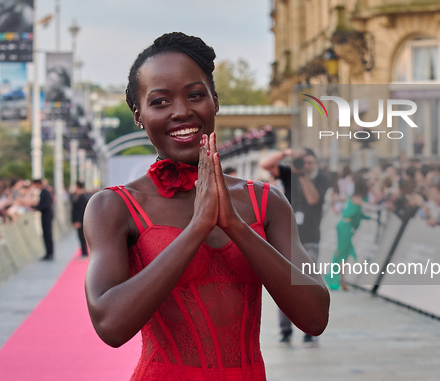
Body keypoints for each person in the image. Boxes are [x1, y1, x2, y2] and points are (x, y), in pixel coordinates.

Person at [84, 33, 330, 380]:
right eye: (160, 102)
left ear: (215, 101)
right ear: (138, 115)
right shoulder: (113, 207)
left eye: (195, 95)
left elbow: (315, 318)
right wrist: (199, 226)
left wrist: (236, 226)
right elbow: (110, 325)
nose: (181, 111)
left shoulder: (266, 201)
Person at [260, 147, 329, 346]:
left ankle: (310, 328)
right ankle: (285, 329)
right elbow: (265, 164)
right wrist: (287, 153)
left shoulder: (320, 178)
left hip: (309, 239)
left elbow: (312, 199)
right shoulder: (289, 173)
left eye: (308, 162)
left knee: (308, 284)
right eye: (303, 162)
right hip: (287, 238)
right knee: (286, 284)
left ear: (314, 163)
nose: (305, 166)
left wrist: (303, 176)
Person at [325, 174, 370, 291]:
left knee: (340, 253)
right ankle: (340, 280)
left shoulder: (352, 197)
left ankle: (337, 279)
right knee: (342, 254)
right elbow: (362, 214)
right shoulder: (361, 200)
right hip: (346, 227)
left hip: (343, 226)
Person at [32, 179, 54, 261]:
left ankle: (49, 253)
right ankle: (49, 253)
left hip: (46, 216)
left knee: (47, 234)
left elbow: (44, 205)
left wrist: (35, 208)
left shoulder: (45, 193)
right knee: (46, 235)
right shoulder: (44, 192)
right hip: (46, 215)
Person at [71, 181, 91, 257]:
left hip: (81, 221)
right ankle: (83, 251)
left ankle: (85, 252)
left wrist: (79, 221)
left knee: (82, 236)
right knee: (80, 236)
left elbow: (81, 210)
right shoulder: (78, 196)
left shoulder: (82, 197)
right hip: (79, 221)